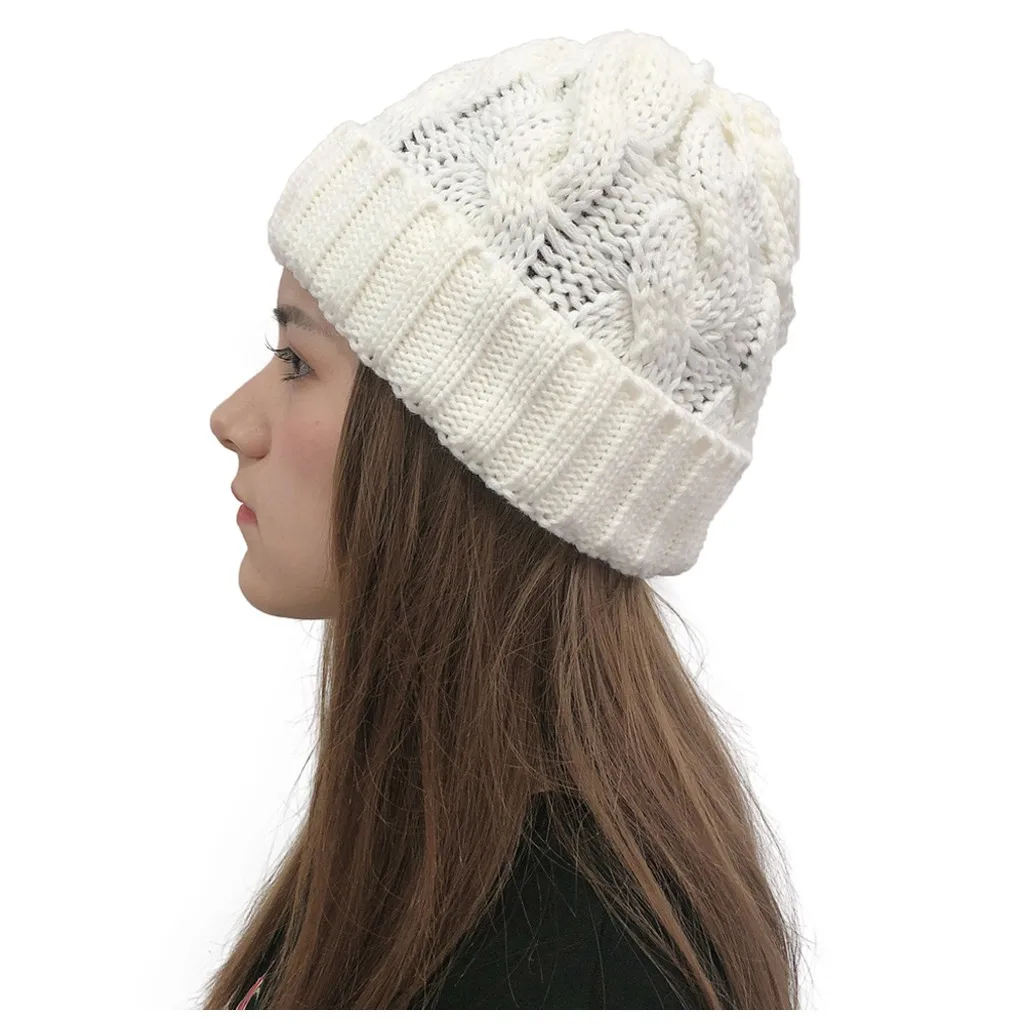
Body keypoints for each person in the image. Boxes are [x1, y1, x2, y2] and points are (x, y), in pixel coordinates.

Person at [205, 28, 802, 1010]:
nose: (234, 420)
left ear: (469, 450)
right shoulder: (426, 854)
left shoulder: (583, 961)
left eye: (298, 362)